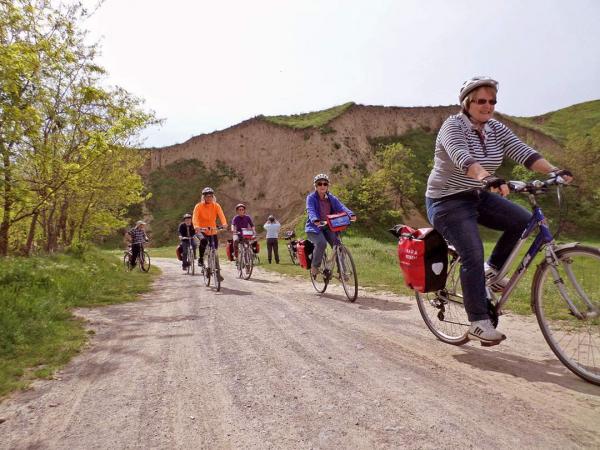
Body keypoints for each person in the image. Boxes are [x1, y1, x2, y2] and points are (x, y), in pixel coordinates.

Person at [425, 76, 573, 345]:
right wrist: (485, 177)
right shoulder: (452, 126)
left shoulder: (495, 128)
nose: (487, 106)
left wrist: (553, 170)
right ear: (467, 103)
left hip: (476, 194)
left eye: (492, 101)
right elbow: (462, 157)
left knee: (523, 222)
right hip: (446, 201)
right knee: (471, 252)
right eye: (481, 101)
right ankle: (478, 322)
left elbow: (523, 152)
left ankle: (491, 273)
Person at [305, 173, 356, 276]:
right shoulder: (311, 198)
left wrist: (351, 214)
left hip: (329, 226)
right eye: (319, 184)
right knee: (321, 243)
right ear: (316, 186)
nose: (322, 186)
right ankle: (315, 266)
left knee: (338, 245)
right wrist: (315, 219)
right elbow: (310, 210)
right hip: (314, 228)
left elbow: (341, 207)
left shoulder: (331, 198)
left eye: (325, 184)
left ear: (328, 185)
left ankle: (342, 272)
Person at [192, 187, 227, 280]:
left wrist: (224, 224)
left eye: (211, 196)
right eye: (207, 196)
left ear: (213, 197)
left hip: (213, 230)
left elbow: (221, 215)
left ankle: (217, 272)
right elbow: (195, 217)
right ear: (203, 197)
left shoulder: (216, 206)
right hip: (201, 230)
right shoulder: (198, 206)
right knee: (203, 241)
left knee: (215, 251)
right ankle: (200, 259)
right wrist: (196, 226)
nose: (209, 198)